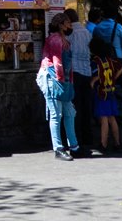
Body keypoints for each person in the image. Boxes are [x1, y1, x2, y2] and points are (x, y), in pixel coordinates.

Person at [37, 12, 77, 161]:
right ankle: (58, 148)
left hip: (62, 80)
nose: (70, 25)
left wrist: (68, 81)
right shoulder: (55, 40)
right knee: (56, 114)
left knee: (69, 113)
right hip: (52, 79)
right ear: (61, 25)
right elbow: (57, 62)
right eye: (68, 23)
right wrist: (62, 81)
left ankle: (74, 145)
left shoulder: (62, 39)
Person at [65, 8, 93, 152]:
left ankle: (77, 137)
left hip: (74, 72)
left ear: (68, 20)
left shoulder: (70, 35)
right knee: (86, 105)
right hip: (87, 71)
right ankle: (88, 136)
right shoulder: (87, 32)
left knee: (75, 108)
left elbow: (68, 52)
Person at [91, 39, 122, 154]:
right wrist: (114, 78)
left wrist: (94, 80)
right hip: (111, 91)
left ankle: (103, 144)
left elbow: (97, 75)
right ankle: (117, 143)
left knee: (104, 118)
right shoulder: (111, 61)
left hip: (102, 92)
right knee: (112, 118)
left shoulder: (96, 61)